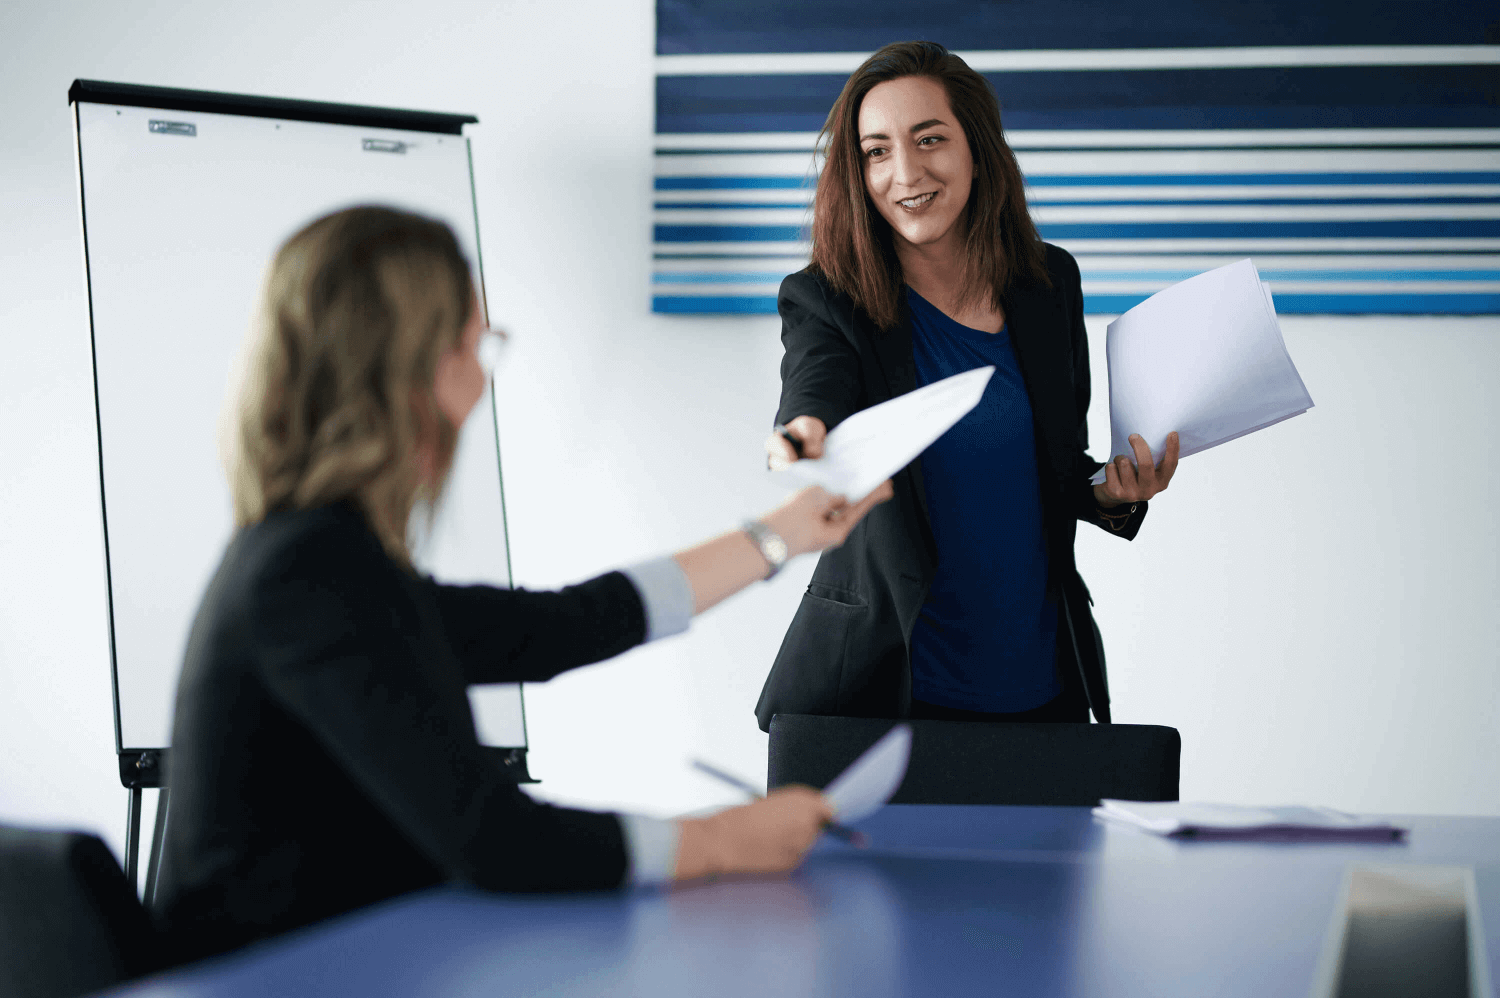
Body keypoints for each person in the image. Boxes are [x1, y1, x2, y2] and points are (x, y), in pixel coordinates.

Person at [154, 205, 892, 963]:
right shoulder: (308, 577)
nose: (481, 381)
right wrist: (724, 840)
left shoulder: (325, 562)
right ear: (411, 371)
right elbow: (495, 839)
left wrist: (782, 535)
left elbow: (559, 626)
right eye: (474, 346)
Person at [757, 41, 1179, 732]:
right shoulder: (827, 299)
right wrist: (804, 435)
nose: (906, 172)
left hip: (1044, 690)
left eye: (930, 139)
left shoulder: (1048, 283)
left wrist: (1112, 494)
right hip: (885, 694)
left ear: (978, 149)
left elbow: (1055, 468)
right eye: (876, 152)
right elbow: (814, 387)